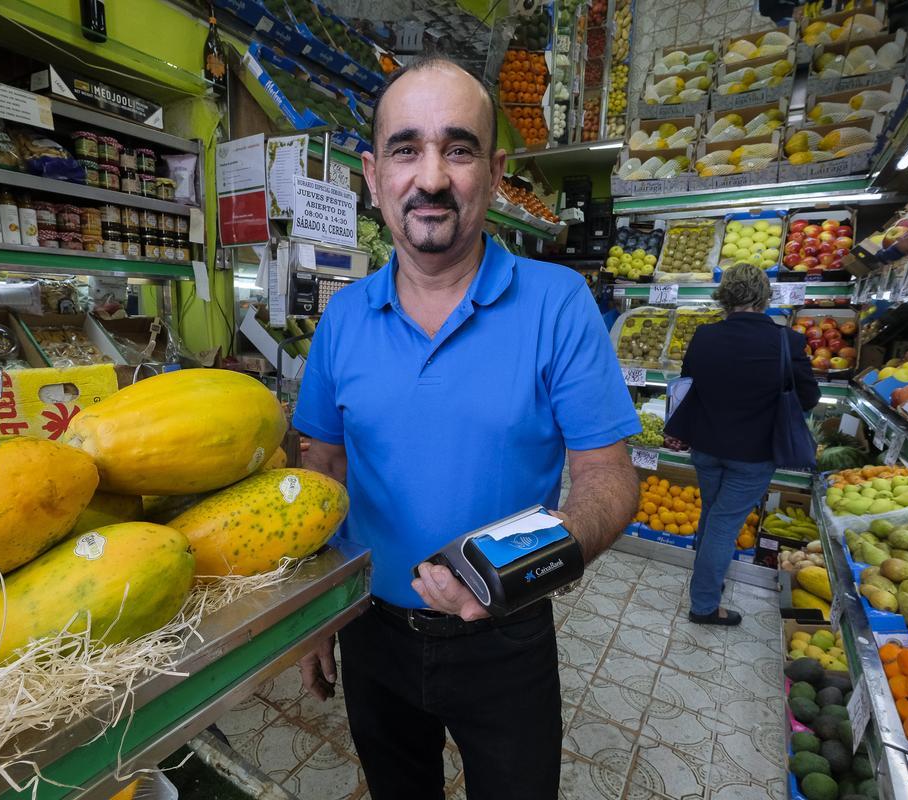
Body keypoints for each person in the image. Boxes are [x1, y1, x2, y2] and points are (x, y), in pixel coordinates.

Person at [292, 56, 641, 800]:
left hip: (508, 638)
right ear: (372, 172)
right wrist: (313, 609)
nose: (431, 177)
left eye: (457, 149)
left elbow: (608, 477)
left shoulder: (560, 304)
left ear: (492, 169)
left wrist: (529, 568)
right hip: (369, 627)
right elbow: (320, 463)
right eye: (405, 148)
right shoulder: (343, 319)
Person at [664, 264, 819, 625]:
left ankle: (709, 582)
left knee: (712, 514)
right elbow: (808, 397)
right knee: (723, 524)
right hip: (754, 453)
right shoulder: (787, 341)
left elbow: (690, 383)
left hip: (705, 447)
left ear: (725, 296)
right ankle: (703, 605)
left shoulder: (704, 336)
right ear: (765, 297)